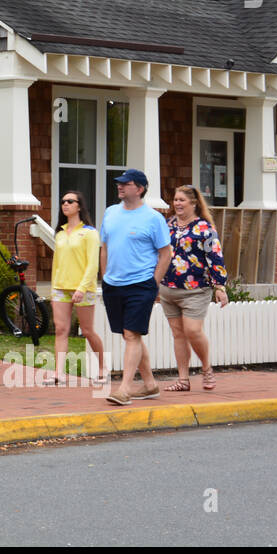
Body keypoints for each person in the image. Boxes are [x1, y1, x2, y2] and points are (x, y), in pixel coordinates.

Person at [99, 169, 173, 406]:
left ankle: (124, 389)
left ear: (139, 188)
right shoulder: (110, 213)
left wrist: (153, 283)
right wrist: (104, 277)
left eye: (125, 184)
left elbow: (165, 254)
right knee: (130, 335)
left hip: (140, 284)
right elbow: (105, 247)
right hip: (113, 283)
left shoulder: (153, 218)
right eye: (119, 184)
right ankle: (150, 385)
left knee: (132, 334)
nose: (119, 187)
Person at [160, 184, 229, 391]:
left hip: (196, 289)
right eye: (175, 200)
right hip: (168, 288)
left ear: (194, 203)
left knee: (193, 330)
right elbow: (159, 252)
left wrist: (220, 287)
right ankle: (183, 380)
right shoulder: (168, 224)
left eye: (182, 200)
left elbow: (215, 257)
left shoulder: (205, 228)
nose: (177, 203)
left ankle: (206, 369)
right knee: (178, 334)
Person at [44, 190, 107, 386]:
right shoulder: (61, 233)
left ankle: (103, 368)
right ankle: (58, 374)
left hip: (83, 288)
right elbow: (57, 262)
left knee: (87, 331)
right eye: (63, 201)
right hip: (60, 288)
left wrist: (82, 288)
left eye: (70, 201)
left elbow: (92, 264)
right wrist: (54, 286)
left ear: (79, 206)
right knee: (61, 329)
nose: (65, 204)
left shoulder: (89, 233)